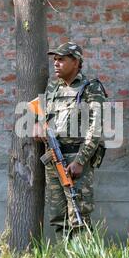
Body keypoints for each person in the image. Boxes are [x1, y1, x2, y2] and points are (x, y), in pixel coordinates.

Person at [36, 42, 107, 239]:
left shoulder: (91, 87)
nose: (56, 64)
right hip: (53, 158)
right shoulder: (53, 87)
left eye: (61, 59)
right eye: (55, 60)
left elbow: (97, 127)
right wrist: (39, 126)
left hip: (76, 159)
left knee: (78, 213)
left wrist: (81, 161)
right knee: (58, 216)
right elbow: (43, 116)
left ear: (76, 62)